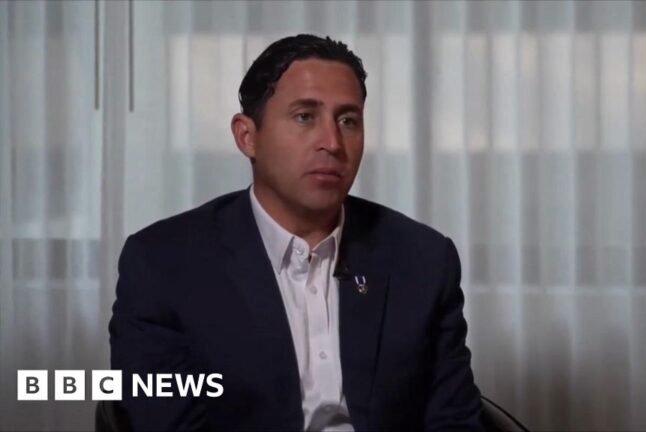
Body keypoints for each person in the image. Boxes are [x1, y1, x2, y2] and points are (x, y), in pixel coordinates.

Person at [109, 34, 484, 431]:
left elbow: (454, 421)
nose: (332, 143)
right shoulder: (163, 264)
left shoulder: (423, 259)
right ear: (247, 136)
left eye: (348, 121)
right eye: (305, 116)